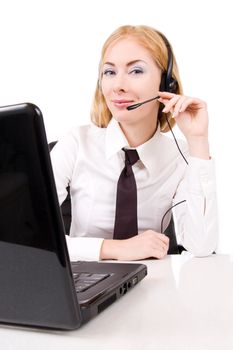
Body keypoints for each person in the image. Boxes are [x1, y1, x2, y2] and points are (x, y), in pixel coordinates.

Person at [51, 25, 218, 261]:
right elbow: (31, 240)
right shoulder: (76, 144)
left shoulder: (177, 157)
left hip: (155, 285)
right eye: (109, 72)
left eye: (136, 71)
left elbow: (201, 246)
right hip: (83, 285)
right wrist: (115, 249)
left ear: (166, 84)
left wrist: (198, 141)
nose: (118, 85)